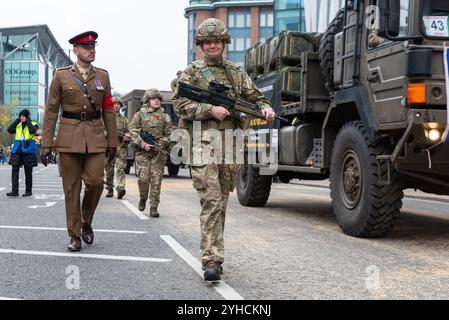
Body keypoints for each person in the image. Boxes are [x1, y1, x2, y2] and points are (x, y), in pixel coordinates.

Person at [172, 18, 275, 281]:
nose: (213, 46)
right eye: (208, 42)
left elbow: (256, 97)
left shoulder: (236, 73)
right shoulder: (192, 72)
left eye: (217, 41)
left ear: (224, 43)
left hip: (230, 143)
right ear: (201, 45)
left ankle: (215, 251)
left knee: (222, 203)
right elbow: (179, 104)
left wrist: (265, 107)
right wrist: (210, 109)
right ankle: (212, 260)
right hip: (202, 145)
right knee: (212, 200)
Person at [40, 31, 117, 252]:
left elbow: (108, 110)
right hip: (68, 137)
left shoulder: (103, 76)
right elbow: (51, 112)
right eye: (86, 47)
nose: (91, 50)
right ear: (75, 50)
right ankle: (74, 234)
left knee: (96, 182)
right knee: (71, 189)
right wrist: (47, 144)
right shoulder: (61, 76)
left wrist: (112, 141)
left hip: (95, 136)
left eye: (93, 46)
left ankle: (86, 221)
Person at [130, 89, 174, 218]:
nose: (157, 100)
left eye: (158, 98)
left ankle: (153, 207)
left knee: (156, 181)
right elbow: (133, 132)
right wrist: (143, 144)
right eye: (154, 98)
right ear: (147, 100)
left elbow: (169, 134)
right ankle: (143, 197)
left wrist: (160, 145)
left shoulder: (165, 116)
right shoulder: (139, 115)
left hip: (158, 154)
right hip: (143, 153)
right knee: (143, 179)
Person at [6, 109, 38, 197]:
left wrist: (28, 121)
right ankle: (14, 191)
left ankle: (28, 191)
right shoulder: (18, 124)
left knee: (28, 171)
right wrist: (17, 120)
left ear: (27, 117)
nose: (21, 117)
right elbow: (9, 130)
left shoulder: (33, 124)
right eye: (20, 116)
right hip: (17, 149)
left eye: (23, 116)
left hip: (28, 150)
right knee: (14, 170)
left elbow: (32, 131)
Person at [104, 97, 130, 199]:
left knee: (120, 168)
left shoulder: (124, 120)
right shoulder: (106, 118)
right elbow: (100, 130)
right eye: (114, 104)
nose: (116, 106)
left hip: (121, 148)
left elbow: (129, 132)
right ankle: (110, 188)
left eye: (118, 104)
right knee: (109, 170)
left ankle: (120, 188)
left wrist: (127, 136)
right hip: (109, 147)